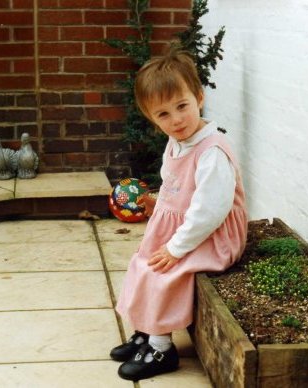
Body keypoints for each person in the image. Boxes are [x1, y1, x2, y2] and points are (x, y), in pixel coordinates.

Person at [110, 49, 248, 381]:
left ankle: (162, 348)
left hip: (212, 236)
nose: (176, 120)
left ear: (199, 98)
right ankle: (145, 330)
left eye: (182, 106)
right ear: (152, 118)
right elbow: (180, 186)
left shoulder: (212, 151)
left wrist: (176, 248)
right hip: (186, 226)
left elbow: (209, 211)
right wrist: (158, 204)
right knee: (143, 261)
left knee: (165, 272)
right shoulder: (176, 142)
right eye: (164, 114)